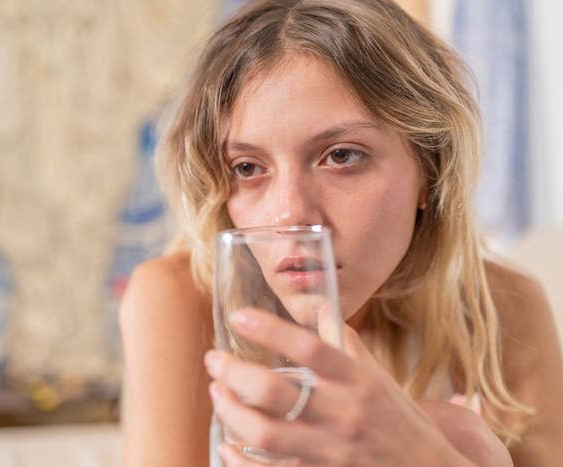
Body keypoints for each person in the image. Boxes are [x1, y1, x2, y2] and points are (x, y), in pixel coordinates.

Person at [119, 0, 563, 465]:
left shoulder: (503, 311)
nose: (289, 215)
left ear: (429, 171)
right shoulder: (179, 300)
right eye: (247, 167)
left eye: (342, 156)